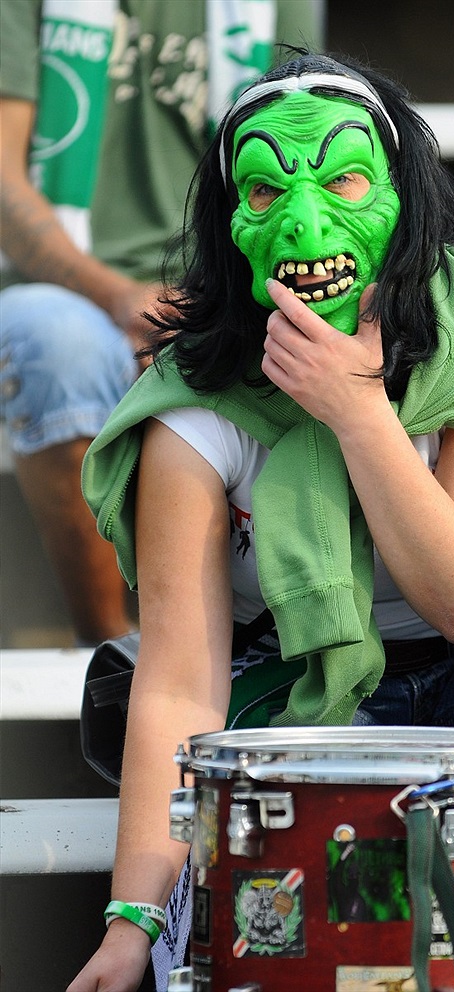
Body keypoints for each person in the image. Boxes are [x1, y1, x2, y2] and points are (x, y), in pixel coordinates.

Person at [72, 52, 454, 991]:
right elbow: (179, 686)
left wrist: (358, 410)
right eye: (268, 188)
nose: (307, 219)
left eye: (346, 176)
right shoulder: (194, 399)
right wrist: (127, 924)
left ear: (403, 198)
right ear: (232, 224)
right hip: (294, 707)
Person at [0, 0, 323, 646]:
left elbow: (297, 179)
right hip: (56, 285)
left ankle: (244, 652)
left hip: (222, 286)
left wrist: (208, 311)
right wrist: (120, 298)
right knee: (61, 346)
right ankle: (111, 650)